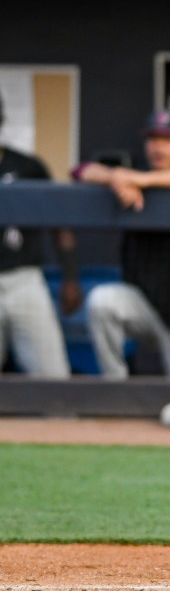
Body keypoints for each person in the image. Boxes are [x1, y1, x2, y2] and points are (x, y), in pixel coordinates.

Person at [72, 111, 170, 379]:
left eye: (168, 140)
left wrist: (140, 180)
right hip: (143, 305)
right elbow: (79, 170)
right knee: (102, 301)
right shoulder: (128, 180)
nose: (159, 147)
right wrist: (116, 178)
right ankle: (115, 386)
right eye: (153, 140)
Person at [0, 91, 80, 377]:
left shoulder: (28, 166)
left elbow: (61, 225)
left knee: (53, 378)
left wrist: (70, 276)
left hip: (24, 279)